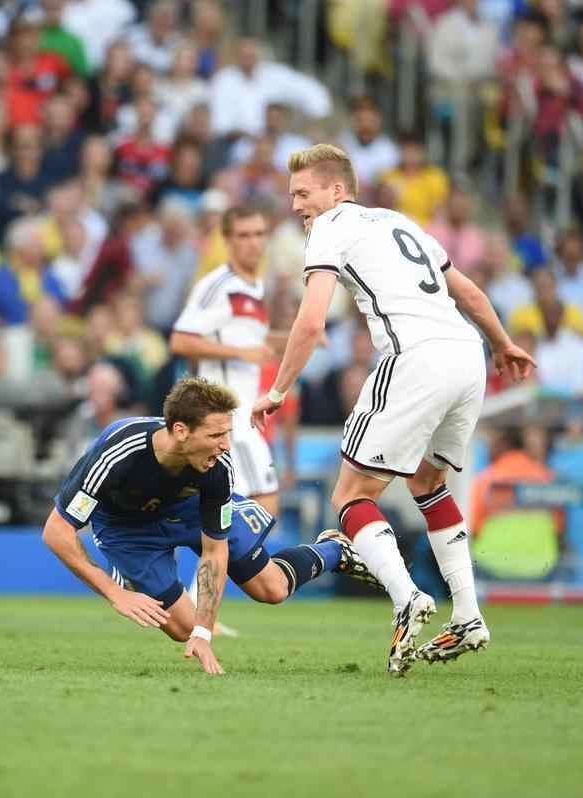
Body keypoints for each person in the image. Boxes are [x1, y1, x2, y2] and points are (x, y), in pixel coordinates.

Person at [250, 144, 536, 675]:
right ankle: (470, 615)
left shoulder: (331, 226)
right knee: (429, 483)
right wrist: (501, 343)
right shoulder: (398, 222)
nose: (295, 206)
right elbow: (469, 293)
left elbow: (311, 322)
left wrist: (278, 390)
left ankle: (407, 596)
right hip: (465, 355)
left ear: (337, 191)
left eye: (303, 193)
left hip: (415, 357)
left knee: (350, 495)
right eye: (291, 196)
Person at [42, 377, 380, 675]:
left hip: (188, 510)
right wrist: (114, 593)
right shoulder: (118, 450)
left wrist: (205, 633)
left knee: (272, 590)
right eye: (216, 435)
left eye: (228, 434)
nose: (226, 445)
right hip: (126, 528)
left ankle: (336, 550)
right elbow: (56, 532)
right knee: (179, 628)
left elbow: (214, 550)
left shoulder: (217, 465)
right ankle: (130, 583)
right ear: (180, 431)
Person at [170, 206, 280, 516]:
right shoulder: (218, 286)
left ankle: (226, 564)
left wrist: (299, 339)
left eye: (259, 235)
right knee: (260, 509)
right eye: (244, 236)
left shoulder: (255, 287)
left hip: (246, 415)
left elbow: (249, 341)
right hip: (228, 417)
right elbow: (181, 339)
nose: (253, 243)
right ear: (228, 241)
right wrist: (242, 353)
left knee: (252, 513)